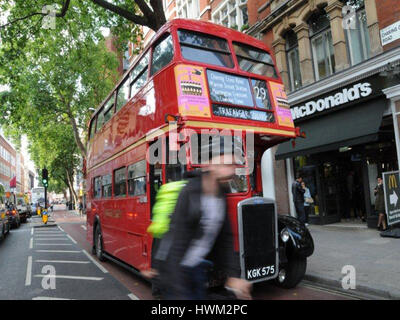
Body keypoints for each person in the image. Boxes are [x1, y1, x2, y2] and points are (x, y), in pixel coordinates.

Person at [151, 139, 252, 300]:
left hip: (197, 268)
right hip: (176, 272)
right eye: (226, 164)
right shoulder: (189, 193)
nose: (232, 170)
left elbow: (225, 239)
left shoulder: (221, 194)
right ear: (210, 164)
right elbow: (176, 246)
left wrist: (233, 276)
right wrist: (178, 292)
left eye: (233, 165)